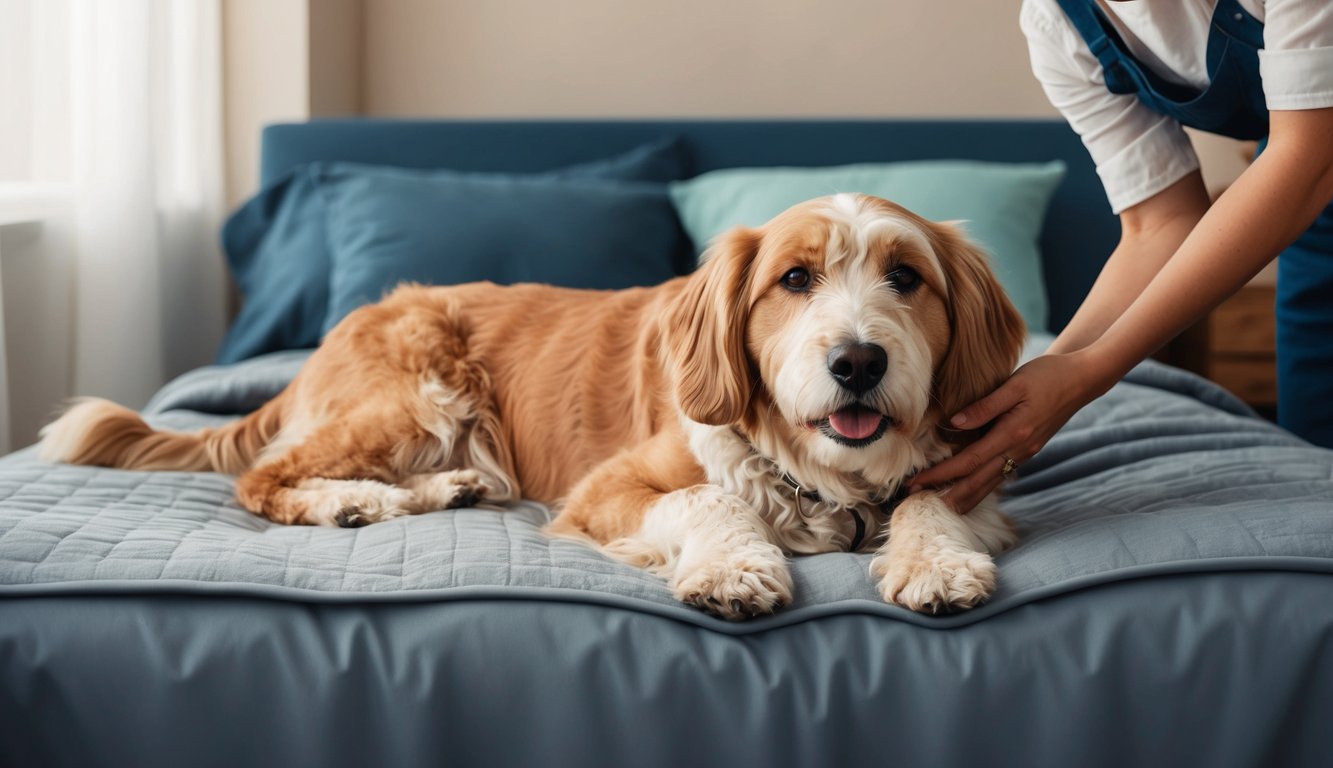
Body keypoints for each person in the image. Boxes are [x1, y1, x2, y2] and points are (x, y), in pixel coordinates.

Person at [911, 0, 1333, 513]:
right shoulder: (1060, 25)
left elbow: (1305, 153)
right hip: (1319, 231)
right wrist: (1031, 389)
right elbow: (1161, 223)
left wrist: (1091, 373)